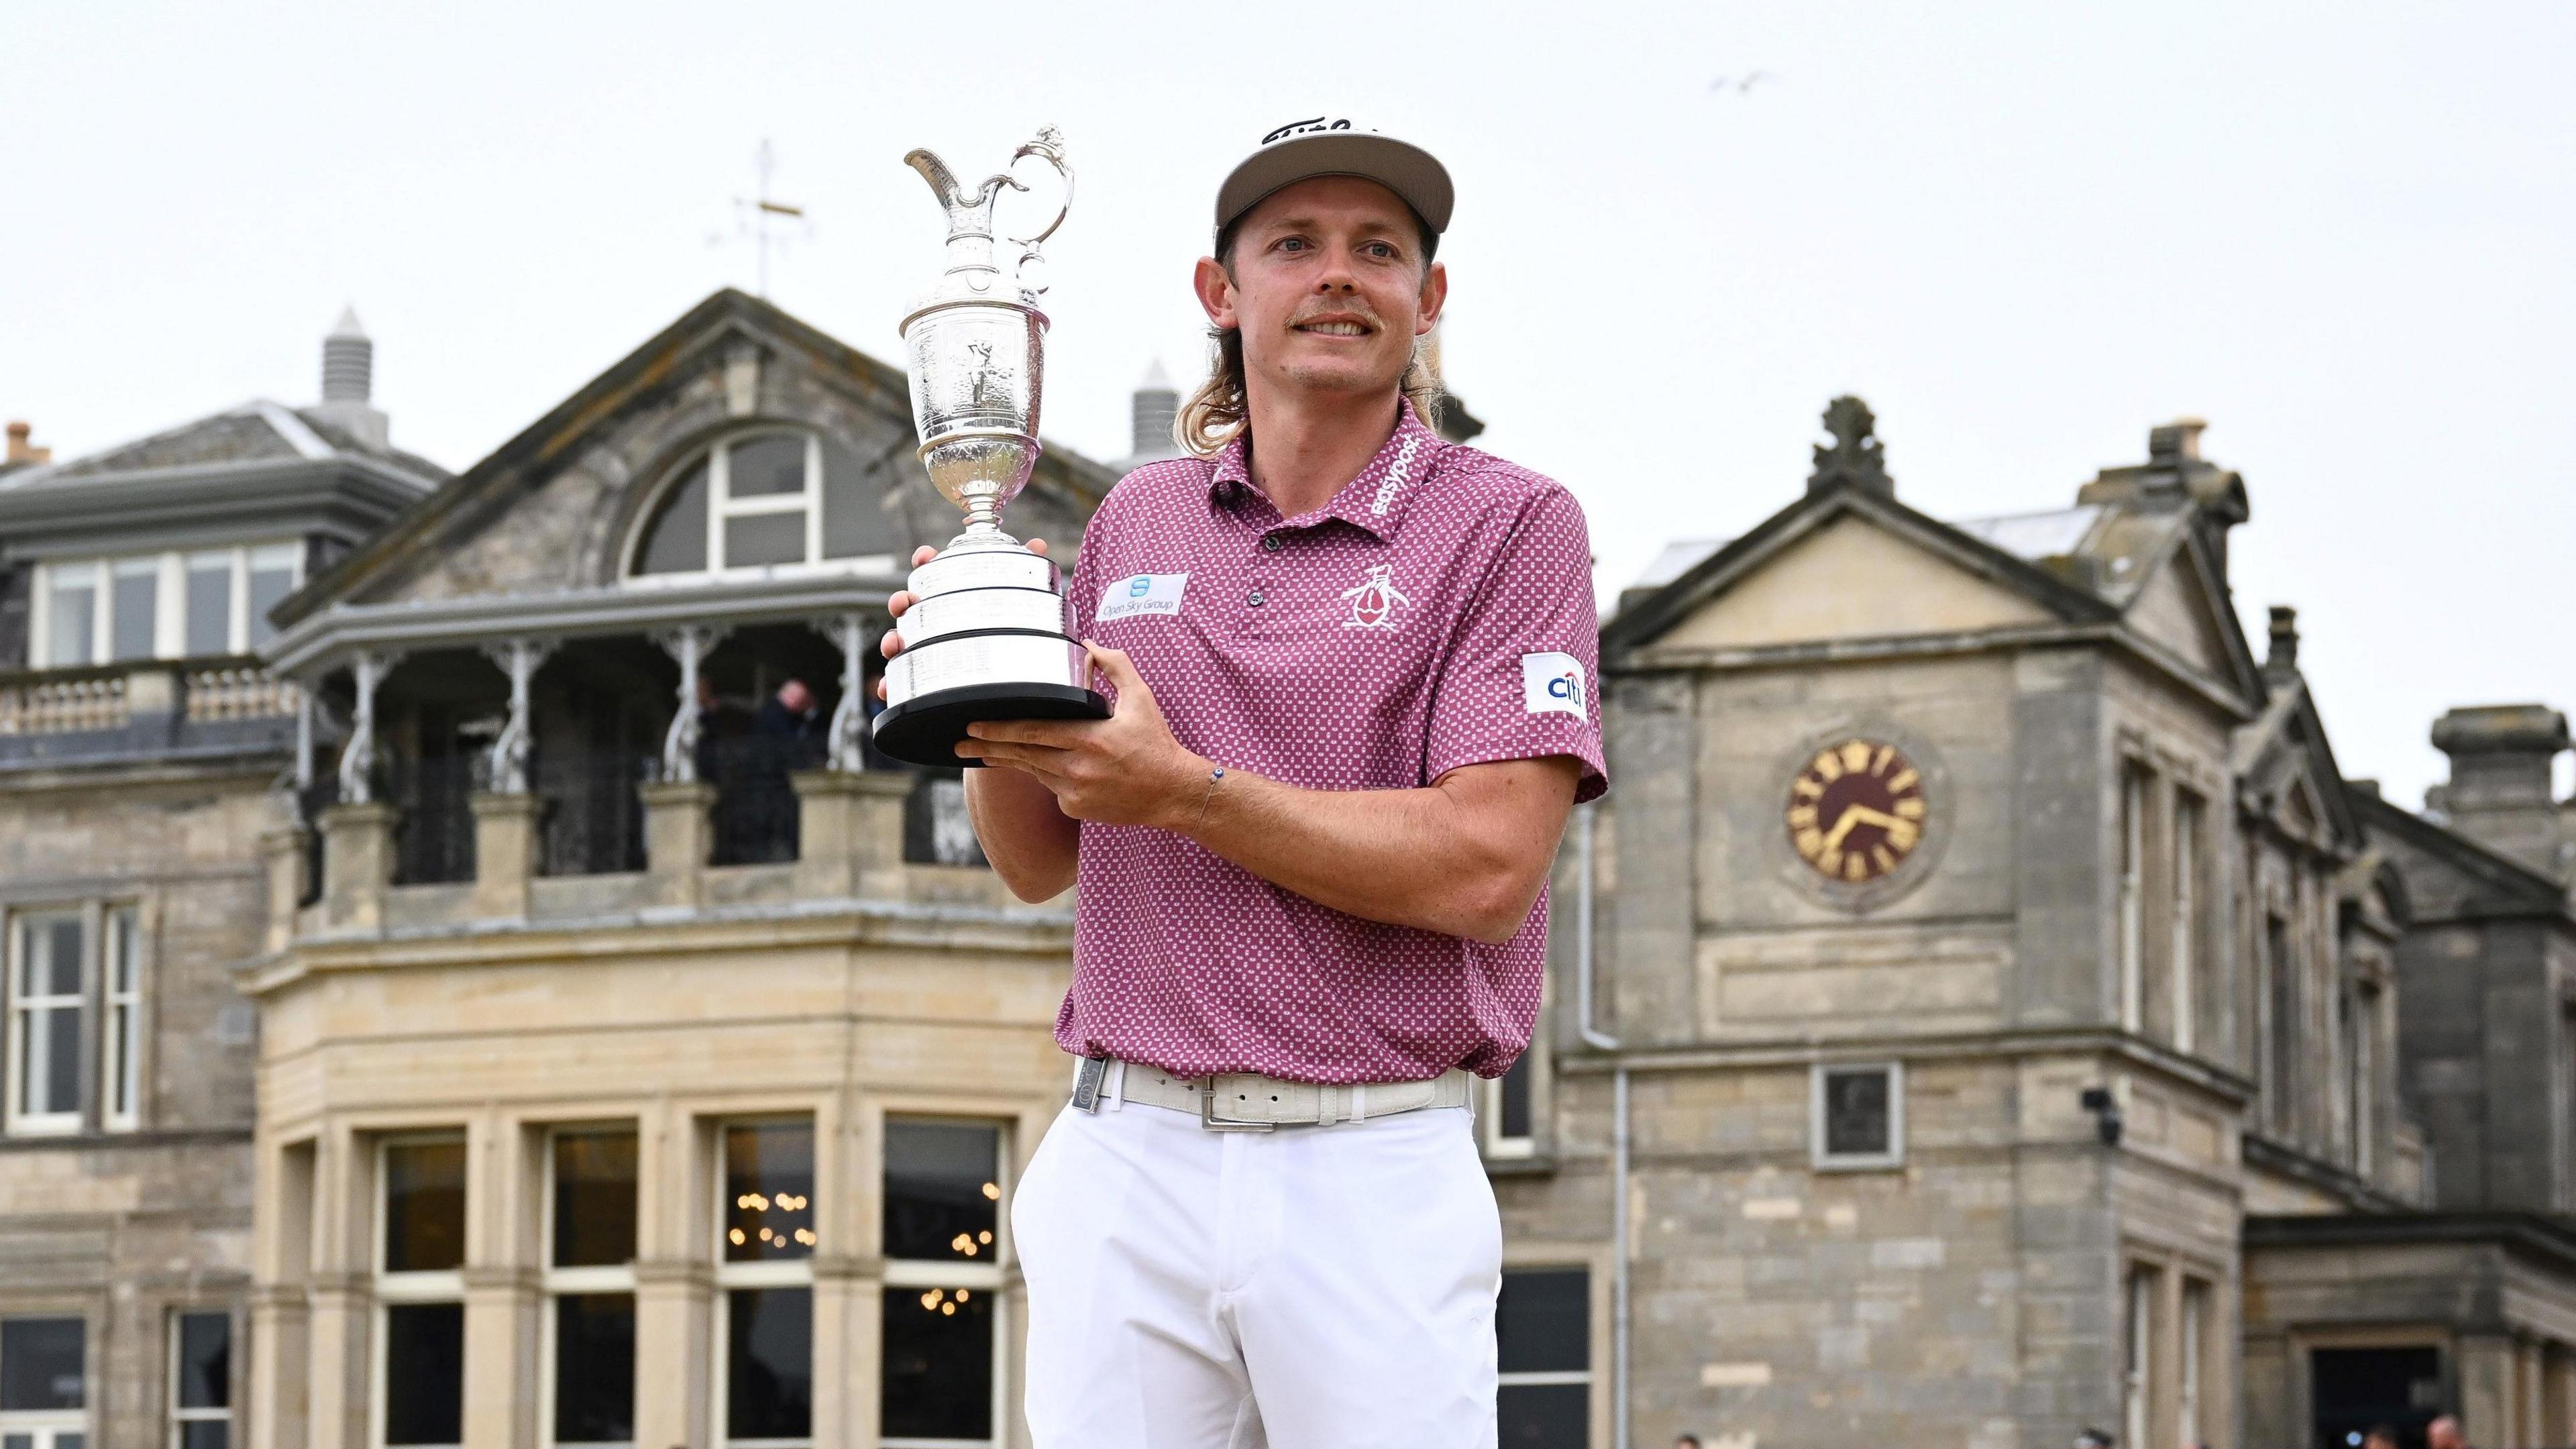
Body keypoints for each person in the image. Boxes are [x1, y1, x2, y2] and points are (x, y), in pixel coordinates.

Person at [879, 119, 1605, 1447]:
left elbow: (1489, 870)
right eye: (1295, 246)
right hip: (1125, 1146)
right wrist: (984, 684)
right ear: (1222, 293)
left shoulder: (1510, 523)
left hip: (1372, 1158)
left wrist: (1187, 793)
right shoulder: (1134, 520)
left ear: (1427, 299)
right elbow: (1041, 859)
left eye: (1377, 249)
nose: (1339, 275)